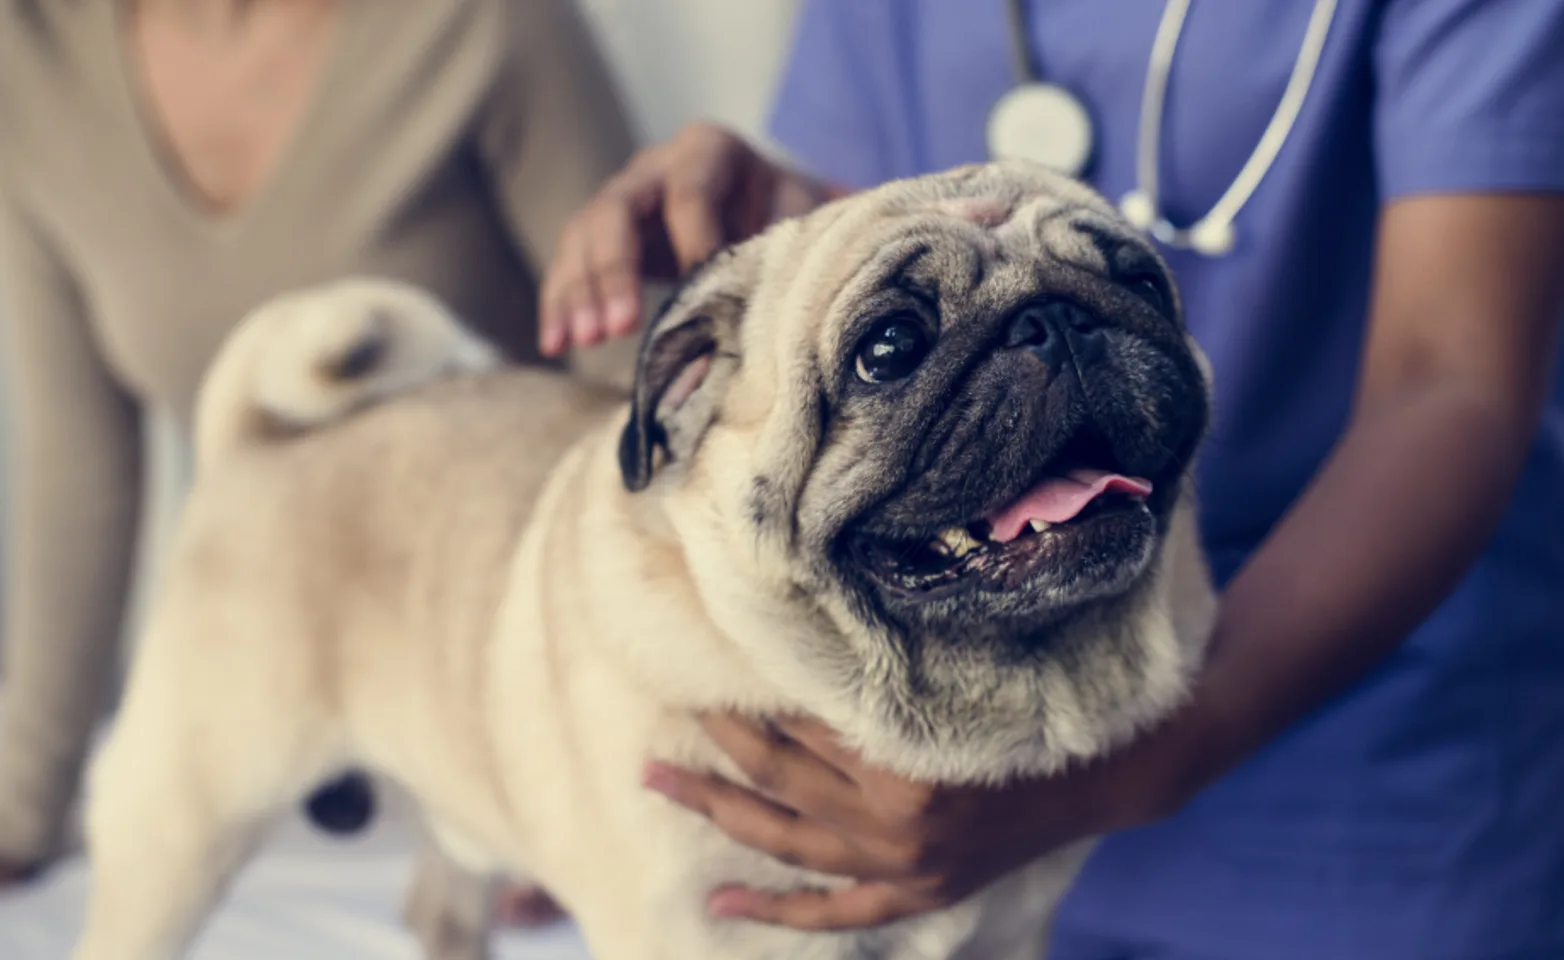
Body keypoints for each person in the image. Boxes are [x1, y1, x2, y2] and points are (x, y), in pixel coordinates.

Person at [540, 1, 1564, 957]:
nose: (1046, 343)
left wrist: (1155, 754)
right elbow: (884, 227)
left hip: (1367, 793)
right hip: (933, 829)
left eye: (1112, 284)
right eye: (894, 347)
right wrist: (785, 223)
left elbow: (1450, 379)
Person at [0, 0, 634, 912]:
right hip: (262, 656)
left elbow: (638, 371)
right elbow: (80, 469)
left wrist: (601, 759)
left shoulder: (488, 22)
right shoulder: (30, 59)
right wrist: (26, 805)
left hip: (511, 689)